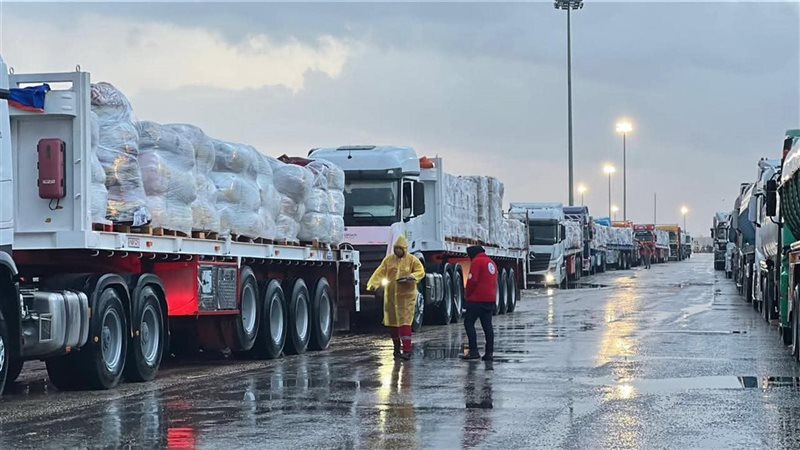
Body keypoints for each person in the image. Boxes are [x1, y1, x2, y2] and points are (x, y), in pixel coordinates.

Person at [367, 235, 425, 360]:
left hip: (406, 297)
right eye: (396, 248)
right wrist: (373, 284)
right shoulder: (388, 260)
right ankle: (396, 349)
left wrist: (412, 277)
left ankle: (407, 350)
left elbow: (420, 271)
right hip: (391, 297)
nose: (397, 251)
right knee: (393, 323)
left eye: (400, 248)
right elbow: (380, 272)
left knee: (405, 323)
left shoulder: (412, 260)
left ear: (404, 249)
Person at [463, 246, 497, 361]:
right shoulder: (491, 262)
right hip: (490, 299)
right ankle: (489, 352)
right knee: (487, 326)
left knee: (469, 323)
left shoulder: (477, 262)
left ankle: (474, 351)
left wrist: (467, 295)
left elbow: (473, 280)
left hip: (477, 299)